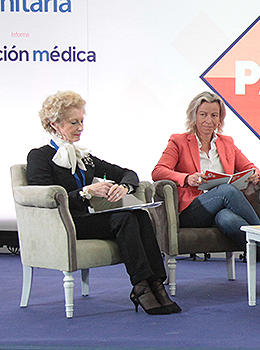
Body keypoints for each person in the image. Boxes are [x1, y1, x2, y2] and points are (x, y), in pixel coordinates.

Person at [27, 91, 179, 315]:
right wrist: (86, 192)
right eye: (73, 122)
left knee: (138, 215)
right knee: (125, 218)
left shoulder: (84, 158)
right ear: (54, 124)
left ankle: (155, 282)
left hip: (85, 219)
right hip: (62, 224)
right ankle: (141, 287)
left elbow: (127, 173)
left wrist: (125, 187)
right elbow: (45, 198)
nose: (80, 127)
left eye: (81, 121)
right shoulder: (39, 157)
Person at [152, 91, 260, 297]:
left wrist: (254, 175)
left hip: (219, 211)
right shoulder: (178, 141)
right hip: (192, 210)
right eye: (203, 114)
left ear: (220, 119)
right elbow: (158, 172)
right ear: (194, 116)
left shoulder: (226, 143)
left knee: (228, 218)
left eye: (214, 115)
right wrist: (187, 178)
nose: (208, 120)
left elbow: (250, 167)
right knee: (227, 190)